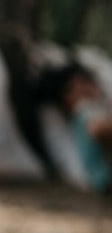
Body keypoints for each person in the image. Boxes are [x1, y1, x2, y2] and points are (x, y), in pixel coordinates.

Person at [37, 61, 112, 194]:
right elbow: (97, 129)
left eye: (88, 81)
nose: (89, 86)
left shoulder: (81, 116)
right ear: (65, 96)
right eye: (82, 83)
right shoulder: (85, 109)